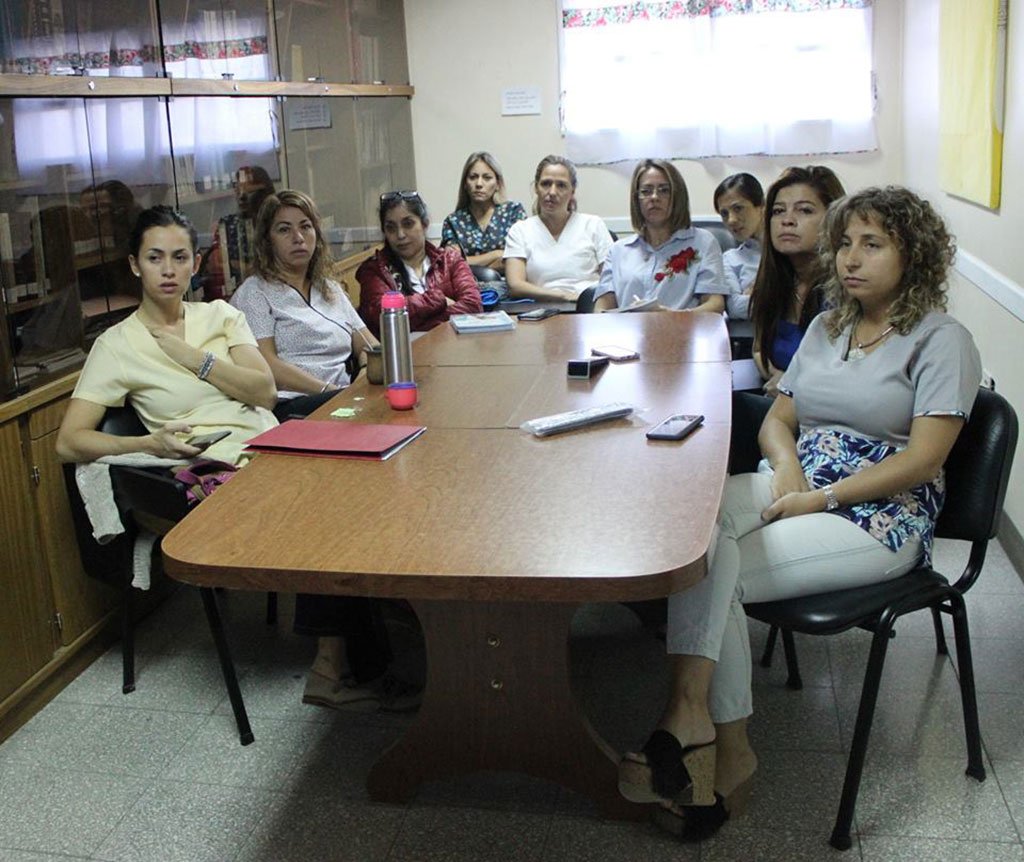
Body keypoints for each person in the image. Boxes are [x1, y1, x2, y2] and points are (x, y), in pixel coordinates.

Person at [619, 186, 982, 842]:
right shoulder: (828, 325)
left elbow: (925, 461)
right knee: (691, 539)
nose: (850, 258)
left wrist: (820, 497)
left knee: (711, 571)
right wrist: (785, 465)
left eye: (872, 244)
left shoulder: (942, 340)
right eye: (845, 242)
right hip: (797, 480)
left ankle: (715, 746)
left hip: (877, 514)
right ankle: (707, 730)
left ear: (915, 255)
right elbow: (779, 418)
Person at [55, 205, 277, 467]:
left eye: (180, 258)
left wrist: (197, 360)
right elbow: (68, 443)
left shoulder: (221, 314)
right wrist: (147, 445)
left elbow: (266, 394)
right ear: (135, 265)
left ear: (195, 264)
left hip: (273, 446)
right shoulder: (116, 344)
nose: (168, 270)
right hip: (216, 467)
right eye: (154, 258)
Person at [230, 189, 378, 421]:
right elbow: (268, 366)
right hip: (292, 404)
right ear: (267, 241)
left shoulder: (329, 288)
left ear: (316, 234)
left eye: (305, 226)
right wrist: (328, 391)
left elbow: (369, 344)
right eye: (284, 229)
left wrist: (365, 374)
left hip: (343, 396)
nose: (298, 237)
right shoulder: (255, 292)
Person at [749, 166, 845, 396]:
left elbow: (848, 376)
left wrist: (790, 383)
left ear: (833, 219)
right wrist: (776, 376)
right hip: (779, 406)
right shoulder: (777, 281)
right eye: (778, 211)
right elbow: (758, 349)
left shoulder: (847, 288)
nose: (787, 220)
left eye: (804, 210)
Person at [594, 159, 728, 313]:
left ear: (678, 196)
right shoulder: (618, 250)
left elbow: (715, 305)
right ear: (636, 199)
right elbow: (601, 309)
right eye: (646, 191)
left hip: (682, 333)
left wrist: (673, 317)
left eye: (664, 190)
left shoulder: (703, 242)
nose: (654, 197)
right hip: (628, 334)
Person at [357, 190, 482, 336]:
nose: (400, 235)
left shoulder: (450, 260)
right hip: (404, 353)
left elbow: (473, 307)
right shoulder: (373, 270)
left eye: (408, 224)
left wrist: (417, 324)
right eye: (391, 228)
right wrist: (438, 300)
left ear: (425, 224)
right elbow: (383, 317)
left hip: (454, 349)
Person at [503, 155, 613, 302]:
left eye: (561, 185)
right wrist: (564, 296)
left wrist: (584, 299)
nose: (552, 192)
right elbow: (515, 286)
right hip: (540, 312)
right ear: (536, 187)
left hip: (589, 309)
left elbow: (612, 279)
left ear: (572, 191)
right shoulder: (520, 230)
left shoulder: (593, 224)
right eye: (546, 184)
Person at [441, 151, 527, 273]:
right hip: (468, 288)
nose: (479, 184)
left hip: (510, 287)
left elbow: (522, 257)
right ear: (465, 184)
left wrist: (473, 264)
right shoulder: (453, 222)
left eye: (487, 178)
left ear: (498, 184)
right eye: (473, 177)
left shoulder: (513, 212)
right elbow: (452, 263)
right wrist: (495, 255)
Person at [201, 165, 276, 301]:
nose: (242, 196)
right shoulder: (227, 225)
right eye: (238, 188)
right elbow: (216, 266)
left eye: (250, 192)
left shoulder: (278, 224)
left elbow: (276, 270)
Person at [713, 173, 765, 320]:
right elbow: (735, 308)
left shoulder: (786, 248)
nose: (731, 220)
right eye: (724, 213)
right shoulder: (729, 259)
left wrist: (756, 293)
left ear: (761, 206)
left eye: (738, 208)